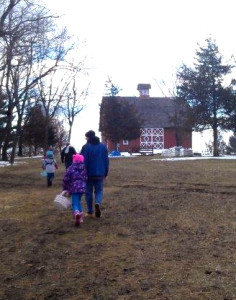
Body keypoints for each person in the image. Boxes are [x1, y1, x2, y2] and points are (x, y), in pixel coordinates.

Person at [81, 130, 109, 218]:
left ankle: (90, 211)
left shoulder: (85, 147)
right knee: (99, 190)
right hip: (100, 173)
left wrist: (82, 173)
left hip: (88, 174)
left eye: (86, 137)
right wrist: (105, 173)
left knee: (88, 192)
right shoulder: (103, 147)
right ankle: (97, 203)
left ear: (88, 137)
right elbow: (106, 161)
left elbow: (83, 161)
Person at [62, 154, 87, 226]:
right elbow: (86, 178)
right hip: (82, 188)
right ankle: (81, 217)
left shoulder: (70, 168)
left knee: (74, 203)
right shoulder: (84, 168)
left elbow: (65, 179)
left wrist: (65, 188)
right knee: (78, 201)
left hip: (74, 188)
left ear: (74, 160)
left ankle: (76, 214)